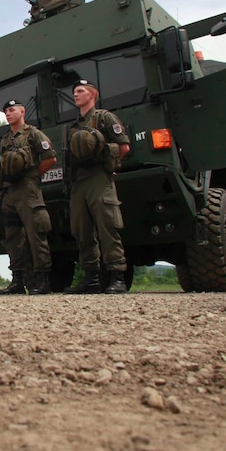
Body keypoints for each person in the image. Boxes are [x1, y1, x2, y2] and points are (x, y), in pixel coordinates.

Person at [64, 79, 131, 294]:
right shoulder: (73, 126)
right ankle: (91, 277)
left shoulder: (104, 117)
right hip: (79, 181)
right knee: (81, 230)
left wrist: (107, 164)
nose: (76, 94)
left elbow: (123, 146)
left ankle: (117, 275)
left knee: (107, 225)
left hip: (99, 178)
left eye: (81, 91)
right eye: (74, 91)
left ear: (93, 94)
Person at [0, 99, 58, 295]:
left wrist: (35, 175)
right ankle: (17, 281)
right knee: (13, 237)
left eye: (12, 110)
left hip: (28, 190)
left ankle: (42, 279)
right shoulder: (5, 139)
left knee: (35, 233)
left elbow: (50, 157)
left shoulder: (33, 134)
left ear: (22, 112)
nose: (8, 113)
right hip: (9, 191)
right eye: (5, 111)